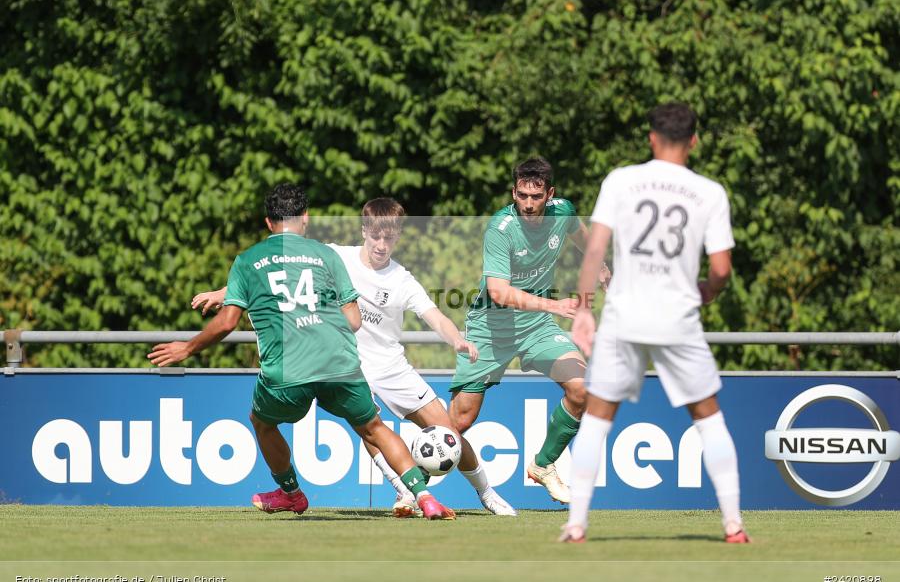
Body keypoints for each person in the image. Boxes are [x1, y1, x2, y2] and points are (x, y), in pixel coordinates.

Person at [148, 183, 455, 520]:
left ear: (268, 222)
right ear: (305, 218)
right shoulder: (326, 255)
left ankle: (291, 494)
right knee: (375, 428)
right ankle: (425, 498)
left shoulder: (248, 261)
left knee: (261, 423)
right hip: (340, 363)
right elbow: (353, 319)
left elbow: (226, 324)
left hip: (287, 369)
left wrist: (186, 348)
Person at [194, 198, 517, 517]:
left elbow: (434, 317)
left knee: (449, 433)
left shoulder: (401, 279)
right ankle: (405, 491)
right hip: (346, 363)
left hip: (390, 366)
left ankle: (487, 493)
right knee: (369, 429)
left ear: (398, 237)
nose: (381, 244)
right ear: (364, 230)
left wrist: (456, 339)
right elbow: (273, 273)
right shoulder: (335, 256)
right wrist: (223, 294)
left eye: (389, 238)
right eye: (376, 236)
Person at [561, 102, 748, 543]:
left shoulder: (620, 180)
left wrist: (585, 307)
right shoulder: (710, 192)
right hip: (678, 319)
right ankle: (734, 525)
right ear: (694, 141)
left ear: (651, 137)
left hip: (624, 317)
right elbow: (721, 268)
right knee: (708, 419)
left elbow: (594, 250)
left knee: (597, 419)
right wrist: (709, 290)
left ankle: (575, 525)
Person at [448, 157, 610, 504]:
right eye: (522, 196)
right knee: (458, 424)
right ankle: (410, 484)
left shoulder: (562, 212)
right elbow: (499, 292)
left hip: (536, 327)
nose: (529, 204)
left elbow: (585, 238)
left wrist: (600, 267)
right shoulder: (500, 228)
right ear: (514, 192)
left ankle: (543, 465)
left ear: (550, 195)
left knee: (582, 391)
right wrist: (555, 305)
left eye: (536, 197)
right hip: (490, 331)